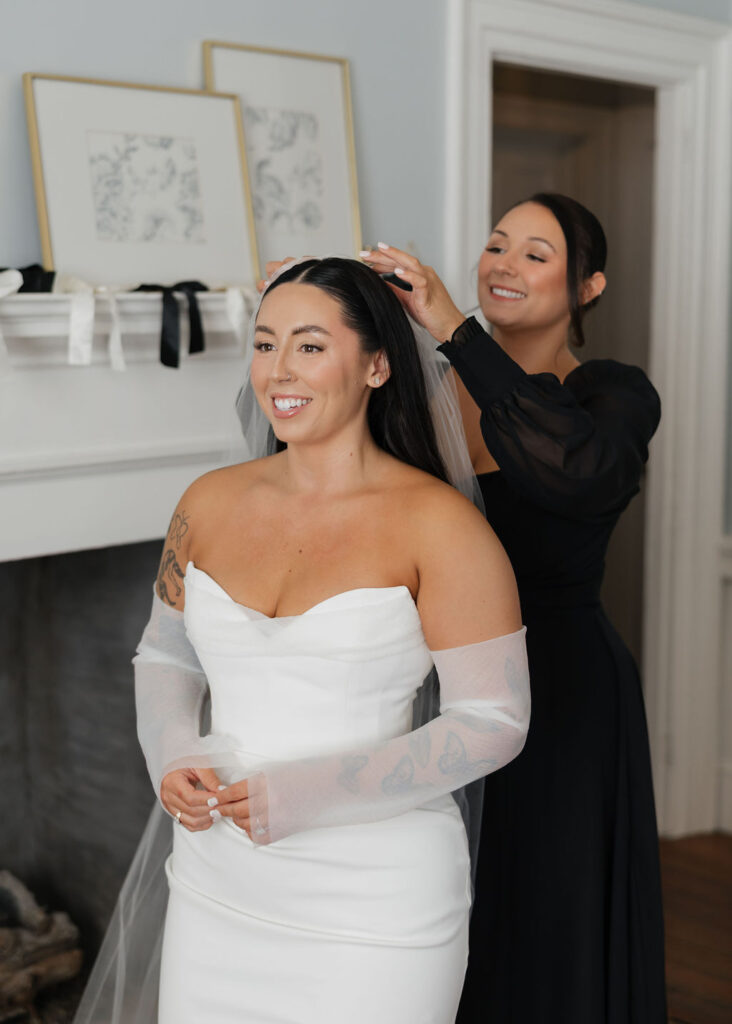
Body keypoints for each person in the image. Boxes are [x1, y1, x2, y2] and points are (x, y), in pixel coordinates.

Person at [75, 257, 531, 1024]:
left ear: (378, 364)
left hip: (375, 901)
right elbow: (166, 652)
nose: (278, 370)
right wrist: (174, 751)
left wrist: (312, 792)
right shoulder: (208, 502)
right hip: (219, 880)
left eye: (310, 346)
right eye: (264, 344)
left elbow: (495, 721)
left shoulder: (442, 526)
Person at [361, 194, 667, 1023]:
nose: (504, 263)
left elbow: (572, 470)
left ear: (589, 286)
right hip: (433, 686)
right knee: (449, 904)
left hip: (563, 692)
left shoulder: (613, 393)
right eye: (497, 245)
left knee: (544, 913)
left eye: (536, 253)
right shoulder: (418, 396)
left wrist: (456, 334)